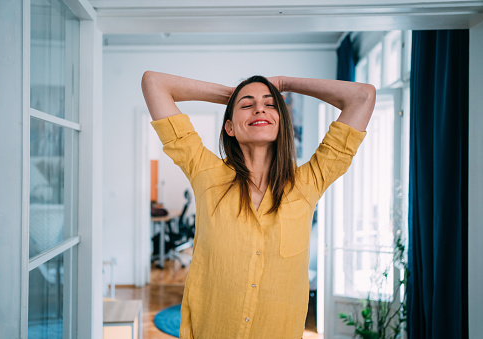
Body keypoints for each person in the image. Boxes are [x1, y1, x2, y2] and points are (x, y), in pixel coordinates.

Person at [141, 71, 376, 339]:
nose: (259, 108)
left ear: (281, 122)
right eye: (247, 105)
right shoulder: (206, 174)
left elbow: (363, 96)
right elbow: (154, 82)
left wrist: (287, 85)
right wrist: (231, 95)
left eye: (270, 103)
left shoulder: (308, 183)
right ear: (229, 127)